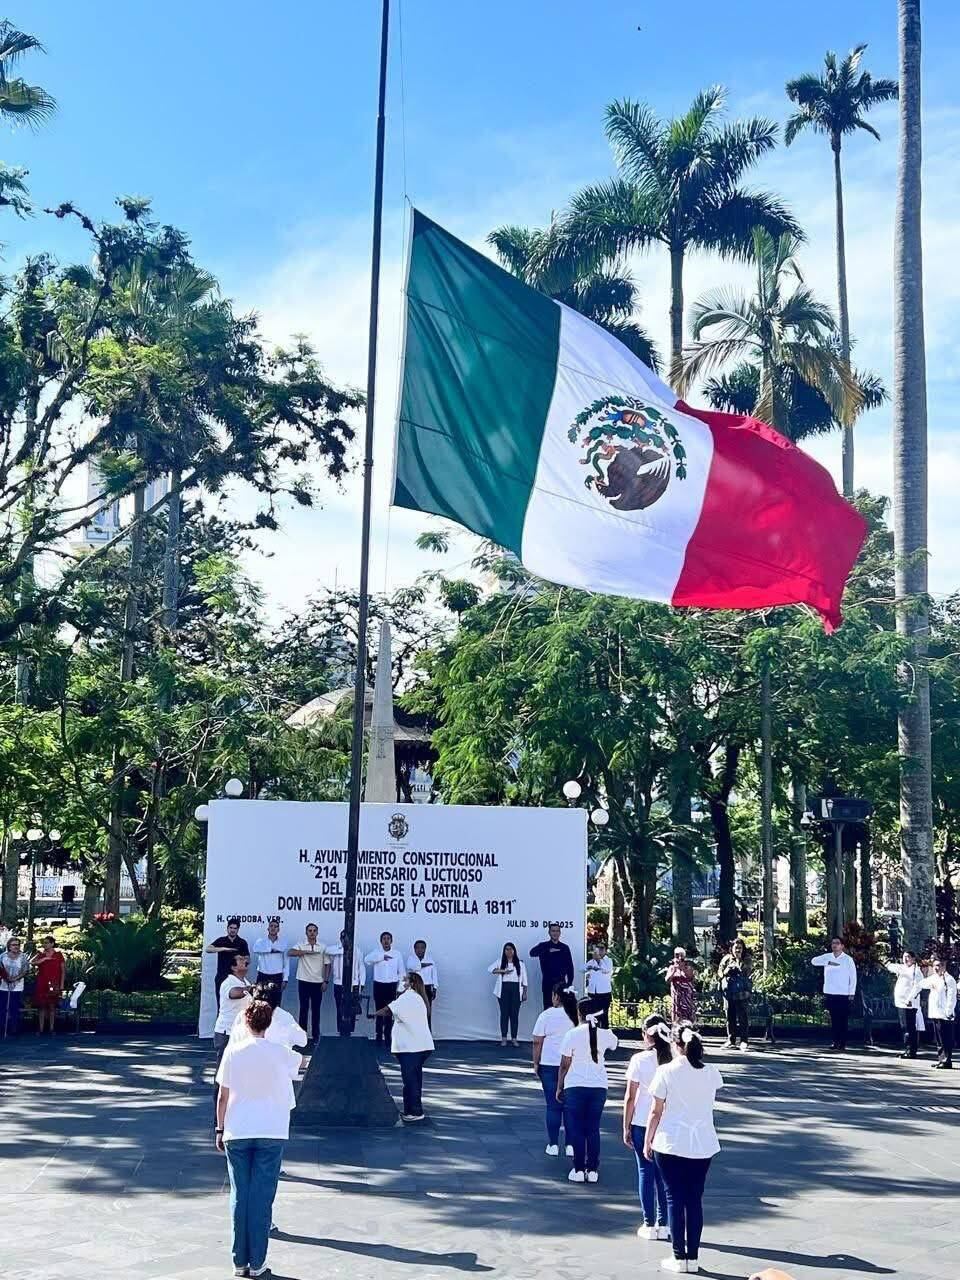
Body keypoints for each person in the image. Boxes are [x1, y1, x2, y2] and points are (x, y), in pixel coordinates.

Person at [215, 999, 301, 1279]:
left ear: (246, 1022)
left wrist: (219, 1128)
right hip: (271, 1129)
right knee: (262, 1198)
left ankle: (239, 1261)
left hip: (237, 1129)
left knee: (240, 1195)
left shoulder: (233, 1052)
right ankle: (258, 1261)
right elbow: (298, 1065)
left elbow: (222, 1095)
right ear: (268, 1023)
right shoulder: (280, 1052)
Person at [645, 1025, 724, 1274]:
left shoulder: (666, 1071)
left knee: (674, 1198)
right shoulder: (711, 1072)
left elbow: (656, 1110)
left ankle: (679, 1256)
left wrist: (648, 1138)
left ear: (675, 1044)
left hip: (671, 1141)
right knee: (694, 1199)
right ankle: (693, 1257)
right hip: (702, 1142)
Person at [558, 997, 618, 1183]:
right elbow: (615, 1043)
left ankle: (578, 1168)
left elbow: (564, 1064)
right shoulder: (604, 1034)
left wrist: (559, 1086)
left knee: (576, 1129)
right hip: (598, 1086)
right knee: (592, 1128)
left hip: (575, 1086)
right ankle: (592, 1169)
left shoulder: (572, 1034)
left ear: (579, 1013)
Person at [624, 1014, 672, 1240]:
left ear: (646, 1034)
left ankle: (648, 1222)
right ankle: (664, 1224)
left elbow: (630, 1097)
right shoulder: (673, 1058)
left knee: (645, 1171)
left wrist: (626, 1126)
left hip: (642, 1121)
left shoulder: (639, 1060)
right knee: (664, 1176)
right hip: (667, 1122)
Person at [380, 970, 435, 1121]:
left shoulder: (408, 996)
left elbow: (389, 1009)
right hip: (420, 1046)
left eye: (405, 981)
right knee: (415, 1079)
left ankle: (414, 1112)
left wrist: (373, 1014)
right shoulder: (419, 998)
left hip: (411, 1048)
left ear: (411, 983)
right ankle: (414, 1110)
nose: (402, 983)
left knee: (410, 1080)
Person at [532, 985, 578, 1156]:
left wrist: (536, 1063)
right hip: (572, 1064)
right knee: (569, 1106)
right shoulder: (575, 1015)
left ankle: (552, 1144)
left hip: (549, 1064)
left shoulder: (546, 1015)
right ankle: (570, 1144)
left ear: (556, 997)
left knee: (552, 1105)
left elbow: (537, 1041)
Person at [213, 953, 254, 1114]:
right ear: (233, 967)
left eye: (244, 959)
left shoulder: (246, 981)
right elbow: (234, 993)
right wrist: (250, 989)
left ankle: (234, 1109)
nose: (244, 960)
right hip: (226, 1034)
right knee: (223, 1075)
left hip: (242, 1034)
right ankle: (219, 1116)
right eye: (240, 960)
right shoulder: (228, 982)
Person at [811, 936, 857, 1052]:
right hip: (831, 992)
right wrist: (828, 962)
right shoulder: (828, 957)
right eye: (833, 943)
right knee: (834, 1019)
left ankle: (842, 1042)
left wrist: (851, 992)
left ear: (842, 946)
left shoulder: (847, 959)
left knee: (843, 1019)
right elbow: (814, 961)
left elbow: (853, 977)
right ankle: (835, 1041)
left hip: (843, 993)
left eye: (837, 943)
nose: (835, 945)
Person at [288, 923, 329, 1044]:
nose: (312, 933)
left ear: (317, 933)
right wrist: (303, 952)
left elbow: (327, 965)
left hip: (318, 982)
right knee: (303, 1009)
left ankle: (316, 1036)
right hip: (304, 981)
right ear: (306, 933)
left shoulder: (323, 947)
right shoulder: (301, 944)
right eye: (309, 931)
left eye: (314, 931)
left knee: (316, 1010)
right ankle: (302, 1037)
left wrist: (325, 981)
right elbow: (290, 952)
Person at [365, 932, 404, 1045]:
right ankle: (378, 1036)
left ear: (391, 941)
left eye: (388, 939)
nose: (386, 941)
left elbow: (401, 972)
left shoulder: (397, 954)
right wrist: (381, 957)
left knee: (389, 1012)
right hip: (379, 985)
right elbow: (367, 960)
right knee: (379, 1011)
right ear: (380, 941)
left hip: (391, 986)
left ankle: (388, 1036)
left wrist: (400, 988)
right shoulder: (376, 952)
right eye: (384, 939)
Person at [885, 949, 924, 1059]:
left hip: (909, 1003)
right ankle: (907, 1048)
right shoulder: (903, 968)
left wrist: (909, 999)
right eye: (904, 957)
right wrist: (887, 962)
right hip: (901, 1002)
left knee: (909, 1027)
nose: (906, 959)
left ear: (913, 959)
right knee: (904, 1027)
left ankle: (911, 1050)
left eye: (908, 957)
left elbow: (917, 986)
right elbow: (891, 967)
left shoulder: (916, 971)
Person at [920, 956, 957, 1070]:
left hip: (945, 1014)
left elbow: (951, 997)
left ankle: (947, 1060)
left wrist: (949, 1011)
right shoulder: (934, 978)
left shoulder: (949, 979)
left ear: (943, 966)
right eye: (934, 965)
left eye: (938, 965)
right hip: (936, 1012)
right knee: (939, 1038)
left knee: (946, 1037)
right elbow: (922, 983)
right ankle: (941, 1059)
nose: (936, 968)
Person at [489, 942, 528, 1046]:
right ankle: (504, 1038)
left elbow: (525, 980)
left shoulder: (520, 964)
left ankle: (514, 1038)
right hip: (503, 990)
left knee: (514, 1015)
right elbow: (490, 969)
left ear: (514, 950)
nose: (509, 951)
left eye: (510, 949)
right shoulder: (500, 961)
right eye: (506, 949)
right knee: (504, 1014)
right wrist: (503, 971)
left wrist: (524, 993)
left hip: (516, 990)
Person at [328, 930, 366, 1036]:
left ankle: (350, 1032)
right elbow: (327, 951)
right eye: (343, 938)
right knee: (339, 1008)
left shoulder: (357, 951)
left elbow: (361, 968)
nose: (345, 940)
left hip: (353, 984)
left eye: (347, 938)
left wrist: (361, 984)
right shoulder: (336, 949)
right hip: (339, 984)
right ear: (340, 938)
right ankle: (340, 1031)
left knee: (351, 1009)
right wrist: (344, 950)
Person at [717, 940, 752, 1050]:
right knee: (730, 1017)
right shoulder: (726, 959)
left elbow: (747, 973)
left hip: (742, 993)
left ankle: (744, 1040)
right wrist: (726, 970)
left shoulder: (747, 959)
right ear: (731, 948)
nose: (737, 950)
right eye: (735, 947)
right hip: (729, 992)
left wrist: (738, 962)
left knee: (743, 1017)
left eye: (740, 948)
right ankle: (731, 1040)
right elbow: (719, 973)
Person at [206, 917, 251, 1004]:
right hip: (222, 976)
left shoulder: (242, 942)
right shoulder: (221, 940)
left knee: (238, 1003)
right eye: (231, 928)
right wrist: (223, 949)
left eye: (235, 928)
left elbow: (248, 959)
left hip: (236, 977)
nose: (232, 930)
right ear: (227, 928)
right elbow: (208, 949)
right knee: (221, 1003)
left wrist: (241, 958)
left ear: (238, 929)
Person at [530, 923, 575, 1010]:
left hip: (561, 984)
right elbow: (532, 953)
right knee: (548, 1010)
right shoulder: (543, 946)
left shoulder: (565, 948)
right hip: (548, 984)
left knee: (562, 1011)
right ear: (549, 932)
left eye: (557, 931)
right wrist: (548, 950)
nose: (555, 933)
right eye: (553, 931)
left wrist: (569, 984)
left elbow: (570, 967)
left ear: (560, 932)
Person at [251, 918, 290, 1010]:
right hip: (262, 976)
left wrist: (285, 979)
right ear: (268, 928)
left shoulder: (283, 943)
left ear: (278, 929)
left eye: (275, 926)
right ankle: (260, 1023)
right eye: (271, 926)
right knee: (259, 1002)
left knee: (275, 1004)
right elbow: (255, 950)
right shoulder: (260, 941)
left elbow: (286, 962)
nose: (273, 928)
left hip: (277, 976)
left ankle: (274, 1024)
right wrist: (271, 950)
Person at [32, 934, 66, 1035]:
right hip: (42, 982)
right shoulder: (41, 955)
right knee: (41, 1007)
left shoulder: (59, 955)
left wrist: (61, 985)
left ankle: (52, 1028)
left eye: (47, 943)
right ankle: (41, 1029)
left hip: (54, 983)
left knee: (52, 1006)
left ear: (52, 944)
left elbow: (63, 971)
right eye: (44, 943)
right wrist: (43, 959)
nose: (44, 945)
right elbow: (32, 963)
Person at [0, 935, 30, 1038]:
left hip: (17, 985)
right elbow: (1, 969)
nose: (16, 947)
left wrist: (15, 978)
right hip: (4, 985)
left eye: (17, 945)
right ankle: (2, 1027)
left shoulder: (23, 956)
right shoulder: (2, 956)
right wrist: (6, 978)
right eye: (13, 945)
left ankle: (14, 1028)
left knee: (14, 1007)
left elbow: (25, 970)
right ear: (9, 946)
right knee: (3, 1007)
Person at [406, 939, 439, 1027]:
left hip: (427, 988)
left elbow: (434, 975)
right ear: (414, 949)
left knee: (427, 1012)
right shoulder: (411, 959)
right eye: (417, 948)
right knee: (414, 1012)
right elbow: (411, 967)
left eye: (422, 948)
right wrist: (423, 965)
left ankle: (427, 1035)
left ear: (425, 949)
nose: (420, 950)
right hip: (414, 988)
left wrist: (435, 988)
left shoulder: (430, 960)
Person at [584, 942, 614, 1028]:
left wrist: (599, 960)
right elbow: (582, 969)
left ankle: (604, 1034)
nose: (599, 951)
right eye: (598, 949)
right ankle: (593, 1033)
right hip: (592, 992)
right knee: (593, 1014)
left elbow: (606, 970)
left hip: (604, 992)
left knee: (603, 1015)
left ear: (605, 950)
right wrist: (588, 974)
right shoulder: (591, 962)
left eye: (602, 949)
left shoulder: (608, 961)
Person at [665, 948, 697, 1024]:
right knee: (676, 1017)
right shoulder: (671, 968)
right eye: (677, 956)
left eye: (681, 958)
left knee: (687, 1017)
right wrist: (674, 971)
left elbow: (691, 978)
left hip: (686, 998)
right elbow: (667, 980)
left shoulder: (688, 968)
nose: (679, 959)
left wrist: (683, 969)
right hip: (676, 998)